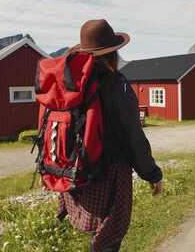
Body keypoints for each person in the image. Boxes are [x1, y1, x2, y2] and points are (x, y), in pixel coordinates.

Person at [57, 19, 163, 252]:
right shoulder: (116, 86)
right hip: (109, 176)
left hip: (75, 176)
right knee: (109, 239)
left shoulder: (70, 84)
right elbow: (133, 137)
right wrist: (153, 175)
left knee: (97, 238)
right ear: (112, 54)